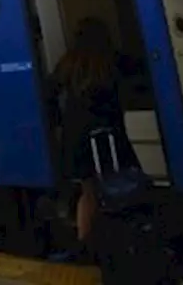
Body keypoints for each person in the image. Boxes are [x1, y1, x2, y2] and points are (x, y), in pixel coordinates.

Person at [51, 18, 141, 244]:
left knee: (88, 193)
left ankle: (86, 244)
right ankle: (125, 238)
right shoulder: (113, 61)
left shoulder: (67, 64)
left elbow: (49, 95)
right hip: (109, 137)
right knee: (120, 185)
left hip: (77, 141)